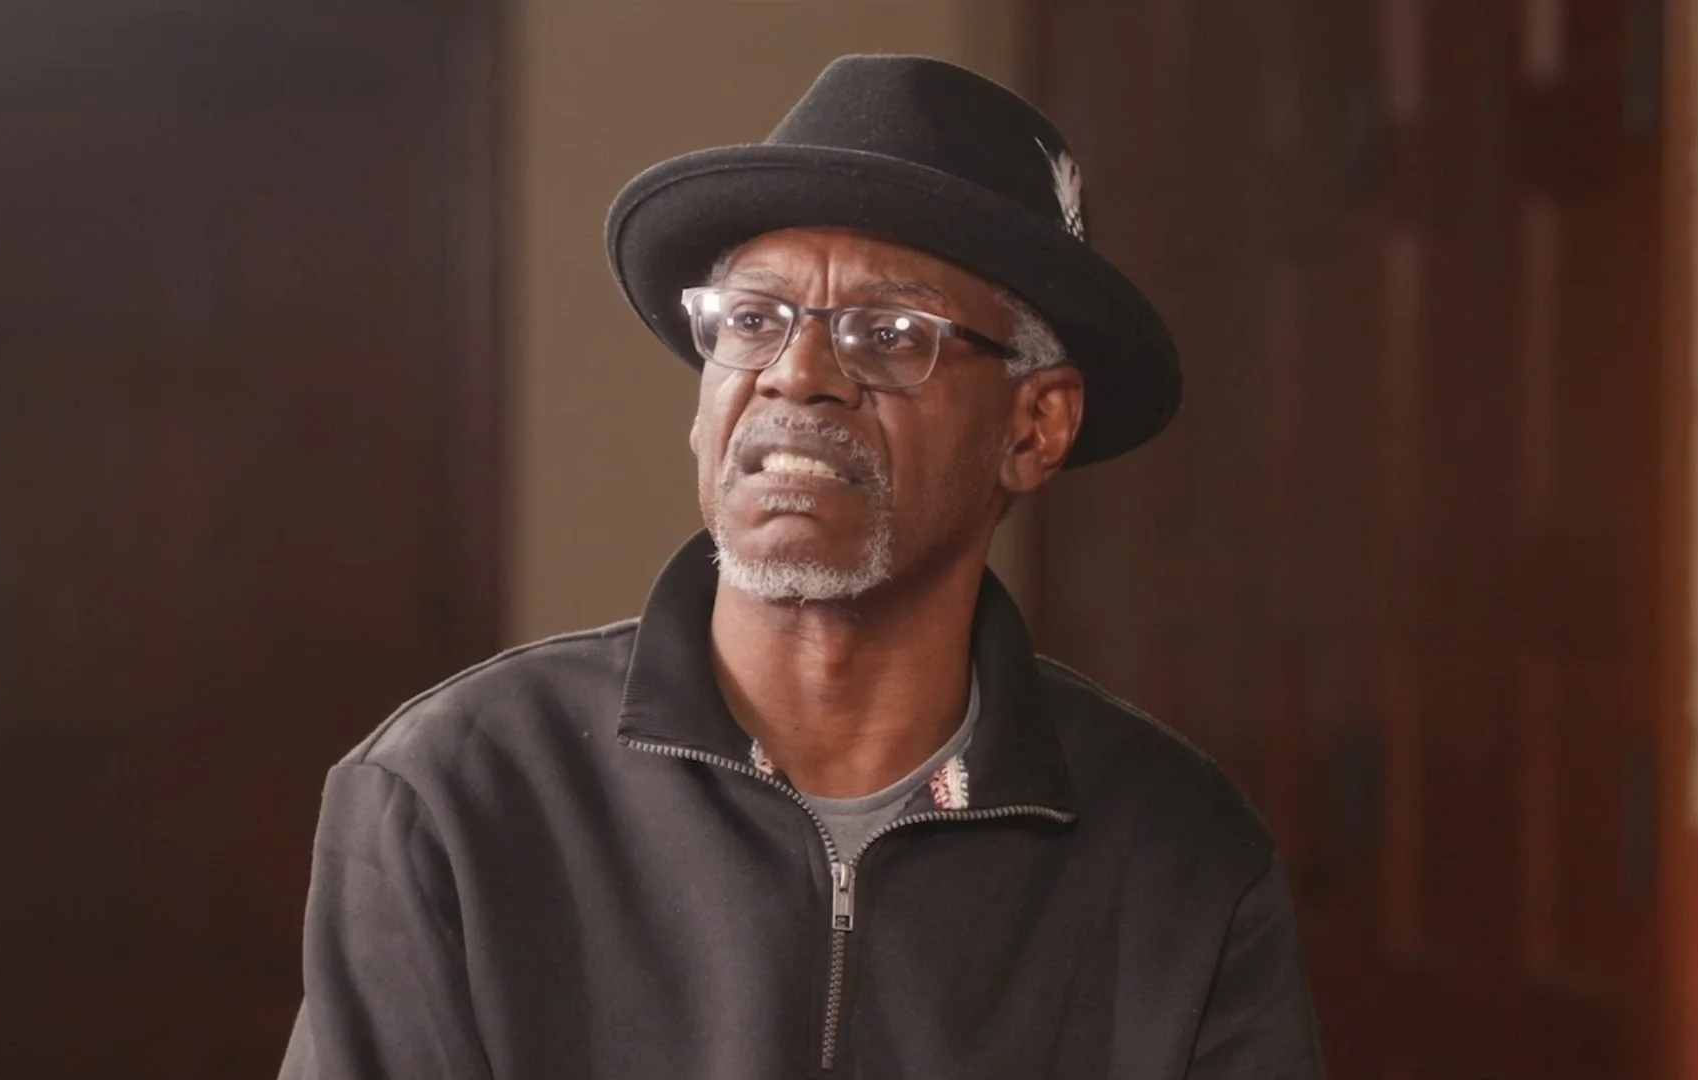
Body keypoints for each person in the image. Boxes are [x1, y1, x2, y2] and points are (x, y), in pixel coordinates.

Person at [279, 54, 1325, 1079]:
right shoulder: (454, 798)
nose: (795, 374)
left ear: (1033, 426)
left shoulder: (1181, 864)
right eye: (751, 320)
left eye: (886, 331)